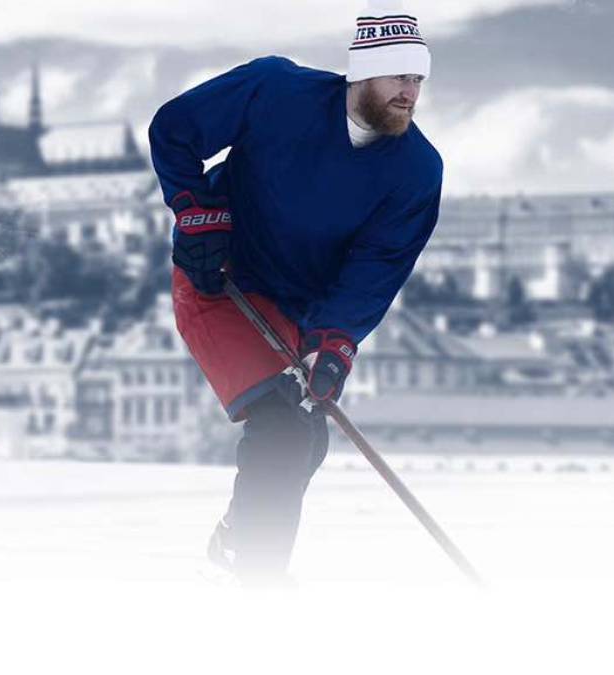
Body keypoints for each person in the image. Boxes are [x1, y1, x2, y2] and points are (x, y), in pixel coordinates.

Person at [148, 0, 442, 586]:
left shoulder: (418, 169)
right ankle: (260, 585)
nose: (409, 92)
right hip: (220, 281)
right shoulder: (275, 89)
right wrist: (196, 212)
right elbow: (174, 130)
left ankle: (239, 536)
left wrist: (335, 344)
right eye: (398, 76)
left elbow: (376, 267)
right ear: (361, 71)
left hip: (295, 308)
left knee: (307, 433)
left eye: (417, 78)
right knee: (281, 429)